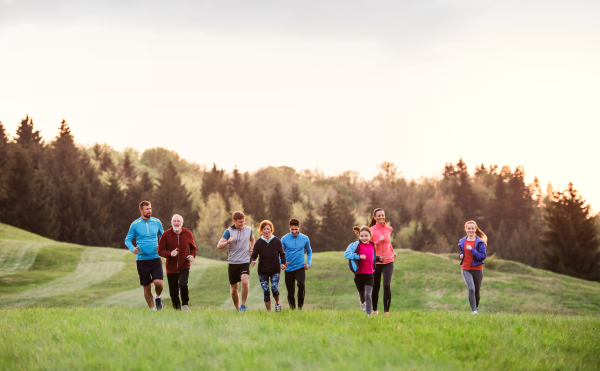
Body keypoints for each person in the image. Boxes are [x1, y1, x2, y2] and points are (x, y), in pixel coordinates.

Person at [125, 200, 165, 310]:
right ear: (141, 210)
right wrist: (132, 248)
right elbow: (127, 240)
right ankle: (153, 310)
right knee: (147, 287)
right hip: (142, 260)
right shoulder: (135, 224)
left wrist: (164, 248)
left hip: (155, 258)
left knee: (159, 283)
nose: (150, 211)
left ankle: (157, 297)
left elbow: (163, 237)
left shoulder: (157, 222)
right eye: (147, 209)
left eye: (150, 208)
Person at [217, 211, 255, 312]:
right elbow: (219, 246)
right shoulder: (228, 231)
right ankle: (237, 308)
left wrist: (253, 249)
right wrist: (227, 242)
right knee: (234, 288)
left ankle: (243, 306)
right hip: (233, 262)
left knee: (245, 281)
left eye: (243, 221)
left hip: (244, 261)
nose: (242, 224)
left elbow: (252, 239)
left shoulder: (248, 229)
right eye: (240, 222)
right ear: (234, 221)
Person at [158, 214, 197, 312]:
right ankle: (177, 310)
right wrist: (170, 253)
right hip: (171, 267)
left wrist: (192, 255)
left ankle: (185, 305)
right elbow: (160, 251)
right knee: (173, 292)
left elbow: (193, 248)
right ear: (171, 223)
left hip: (184, 265)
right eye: (174, 221)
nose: (176, 223)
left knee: (183, 284)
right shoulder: (165, 235)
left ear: (182, 223)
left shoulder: (188, 234)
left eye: (178, 221)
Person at [344, 226, 383, 317]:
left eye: (366, 236)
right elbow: (346, 254)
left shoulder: (372, 246)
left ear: (370, 235)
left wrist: (379, 259)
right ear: (359, 236)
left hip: (369, 275)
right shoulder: (355, 245)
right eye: (362, 236)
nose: (364, 238)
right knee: (362, 296)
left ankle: (368, 316)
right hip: (358, 275)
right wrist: (358, 256)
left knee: (368, 294)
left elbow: (372, 258)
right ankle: (362, 302)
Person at [250, 220, 286, 312]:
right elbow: (254, 254)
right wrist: (252, 260)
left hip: (275, 270)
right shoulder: (258, 242)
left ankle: (277, 304)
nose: (266, 231)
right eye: (264, 229)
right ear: (261, 230)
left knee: (274, 289)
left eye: (268, 229)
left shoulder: (277, 241)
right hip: (262, 271)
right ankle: (269, 312)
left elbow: (282, 254)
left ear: (271, 230)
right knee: (266, 291)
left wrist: (282, 263)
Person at [368, 208, 397, 316]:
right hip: (376, 262)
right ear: (374, 217)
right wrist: (377, 241)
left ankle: (386, 312)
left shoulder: (389, 229)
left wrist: (393, 252)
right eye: (378, 216)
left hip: (389, 261)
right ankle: (375, 310)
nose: (381, 217)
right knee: (376, 287)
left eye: (383, 215)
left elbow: (388, 243)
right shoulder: (371, 230)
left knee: (386, 285)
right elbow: (369, 247)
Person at [281, 218, 312, 310]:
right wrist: (281, 263)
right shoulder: (284, 239)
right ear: (289, 228)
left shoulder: (305, 238)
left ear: (299, 227)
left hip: (300, 267)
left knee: (301, 285)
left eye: (296, 229)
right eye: (292, 229)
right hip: (288, 268)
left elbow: (309, 252)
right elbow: (280, 253)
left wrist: (308, 264)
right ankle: (292, 309)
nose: (294, 231)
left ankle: (300, 307)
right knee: (290, 292)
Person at [458, 220, 488, 315]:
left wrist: (473, 250)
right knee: (471, 288)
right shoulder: (462, 241)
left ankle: (476, 308)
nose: (470, 230)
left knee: (477, 293)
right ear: (466, 229)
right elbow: (462, 252)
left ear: (475, 229)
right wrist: (460, 255)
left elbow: (482, 256)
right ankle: (474, 311)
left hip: (478, 270)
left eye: (472, 228)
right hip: (466, 269)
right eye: (468, 228)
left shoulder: (480, 242)